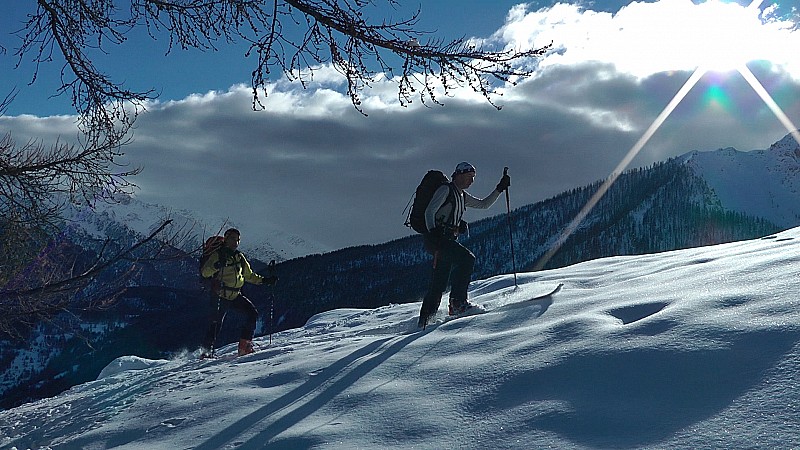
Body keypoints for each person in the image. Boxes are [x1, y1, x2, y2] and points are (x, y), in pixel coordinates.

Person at [418, 162, 511, 328]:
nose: (471, 181)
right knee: (467, 259)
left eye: (473, 178)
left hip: (445, 240)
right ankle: (458, 304)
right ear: (459, 175)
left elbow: (484, 204)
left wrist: (499, 188)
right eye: (469, 177)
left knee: (439, 280)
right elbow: (429, 212)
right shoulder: (446, 190)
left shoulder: (461, 195)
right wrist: (434, 233)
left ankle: (425, 320)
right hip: (439, 239)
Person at [200, 228, 277, 357]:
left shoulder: (239, 257)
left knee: (251, 314)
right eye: (233, 239)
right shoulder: (217, 255)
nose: (236, 242)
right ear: (225, 239)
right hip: (220, 295)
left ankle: (244, 347)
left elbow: (248, 275)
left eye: (238, 240)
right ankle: (206, 353)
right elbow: (205, 272)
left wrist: (265, 280)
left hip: (234, 295)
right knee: (216, 323)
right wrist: (217, 265)